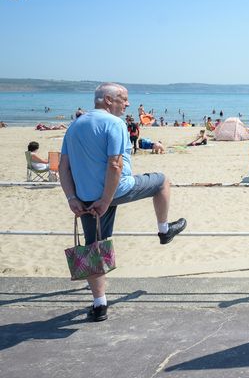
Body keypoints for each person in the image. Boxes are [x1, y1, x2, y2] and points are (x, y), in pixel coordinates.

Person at [58, 82, 186, 322]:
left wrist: (71, 197)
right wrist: (107, 200)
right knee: (162, 182)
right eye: (124, 99)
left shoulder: (75, 125)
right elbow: (115, 164)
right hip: (114, 192)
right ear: (108, 100)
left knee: (94, 245)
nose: (127, 104)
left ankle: (99, 306)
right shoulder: (114, 123)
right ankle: (164, 230)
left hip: (85, 198)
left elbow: (63, 166)